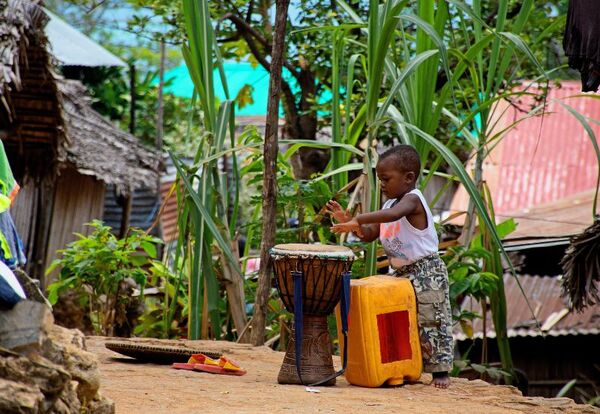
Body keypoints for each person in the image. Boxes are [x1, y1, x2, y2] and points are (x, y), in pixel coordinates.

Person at [326, 144, 453, 389]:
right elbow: (370, 234)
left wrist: (359, 217)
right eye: (379, 179)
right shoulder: (388, 206)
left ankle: (440, 371)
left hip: (425, 271)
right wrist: (353, 225)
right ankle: (402, 365)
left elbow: (395, 216)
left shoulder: (412, 201)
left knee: (431, 319)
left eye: (386, 179)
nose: (382, 185)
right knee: (401, 320)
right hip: (400, 274)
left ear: (408, 178)